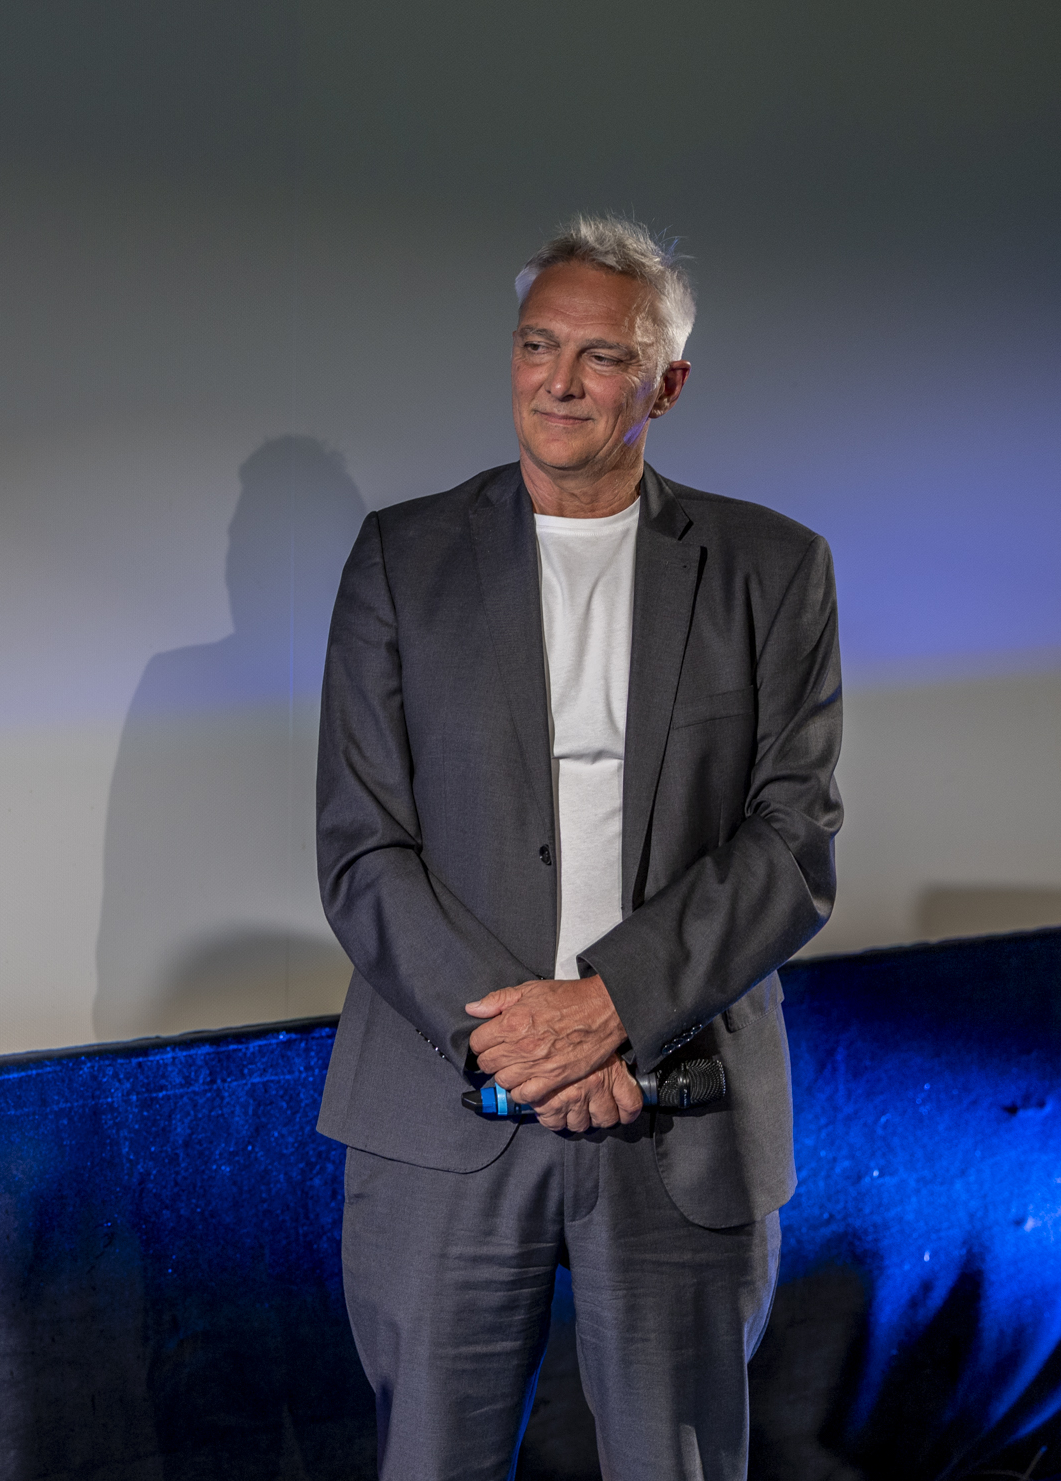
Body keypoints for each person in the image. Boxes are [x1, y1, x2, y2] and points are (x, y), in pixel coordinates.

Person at [315, 217, 841, 1477]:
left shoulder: (772, 567)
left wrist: (610, 1009)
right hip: (445, 1112)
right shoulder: (399, 558)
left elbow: (791, 841)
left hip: (679, 1116)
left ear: (665, 384)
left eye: (601, 356)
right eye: (534, 345)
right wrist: (522, 1043)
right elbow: (361, 845)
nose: (557, 381)